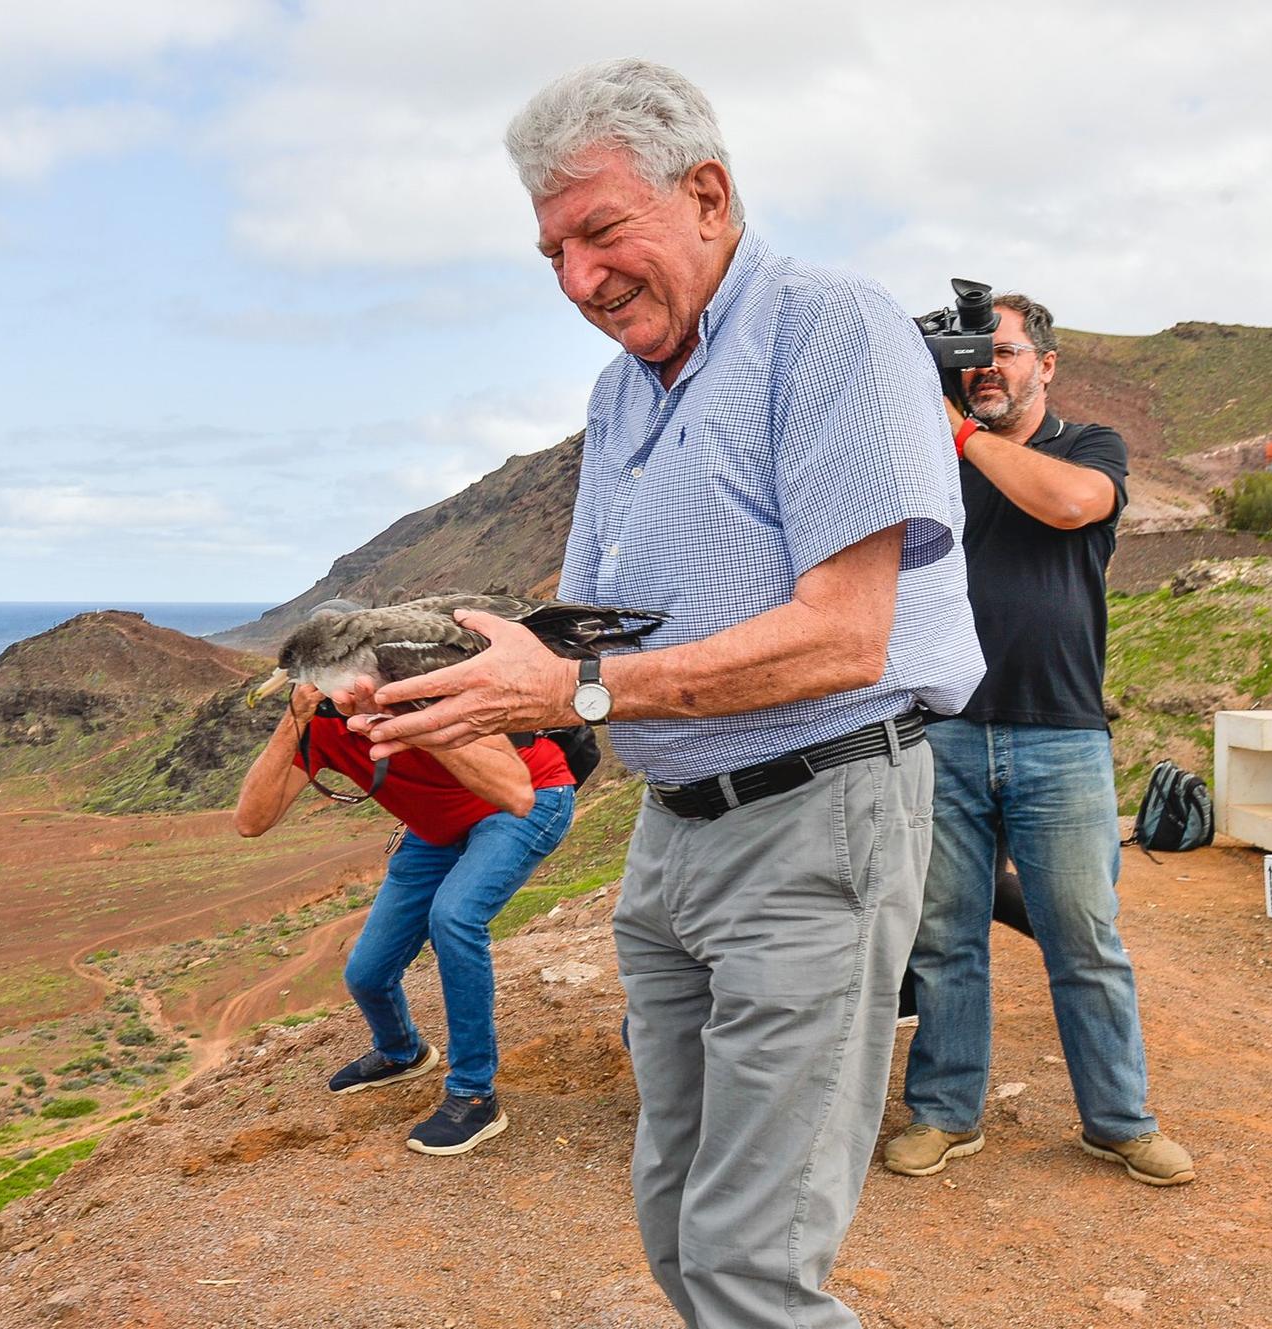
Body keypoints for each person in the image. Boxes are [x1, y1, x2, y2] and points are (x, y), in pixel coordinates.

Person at [349, 58, 985, 1327]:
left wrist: (571, 691)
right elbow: (591, 632)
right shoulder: (618, 389)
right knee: (675, 1217)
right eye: (550, 254)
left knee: (753, 1260)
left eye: (599, 232)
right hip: (673, 839)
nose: (578, 280)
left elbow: (842, 641)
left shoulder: (829, 328)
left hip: (818, 817)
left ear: (705, 193)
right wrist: (457, 679)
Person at [887, 295, 1194, 1186]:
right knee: (946, 938)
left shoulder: (1088, 447)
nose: (987, 367)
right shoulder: (931, 460)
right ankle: (944, 1114)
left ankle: (1120, 1120)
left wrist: (959, 434)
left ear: (1046, 364)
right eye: (972, 355)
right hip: (944, 730)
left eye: (1006, 351)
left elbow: (1069, 507)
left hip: (1060, 733)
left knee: (1083, 937)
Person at [233, 676, 575, 1156]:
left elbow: (511, 789)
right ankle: (401, 1053)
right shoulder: (322, 724)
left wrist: (412, 719)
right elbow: (252, 820)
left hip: (528, 800)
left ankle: (474, 1094)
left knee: (454, 918)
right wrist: (294, 722)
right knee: (368, 973)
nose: (345, 689)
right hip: (433, 831)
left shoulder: (427, 695)